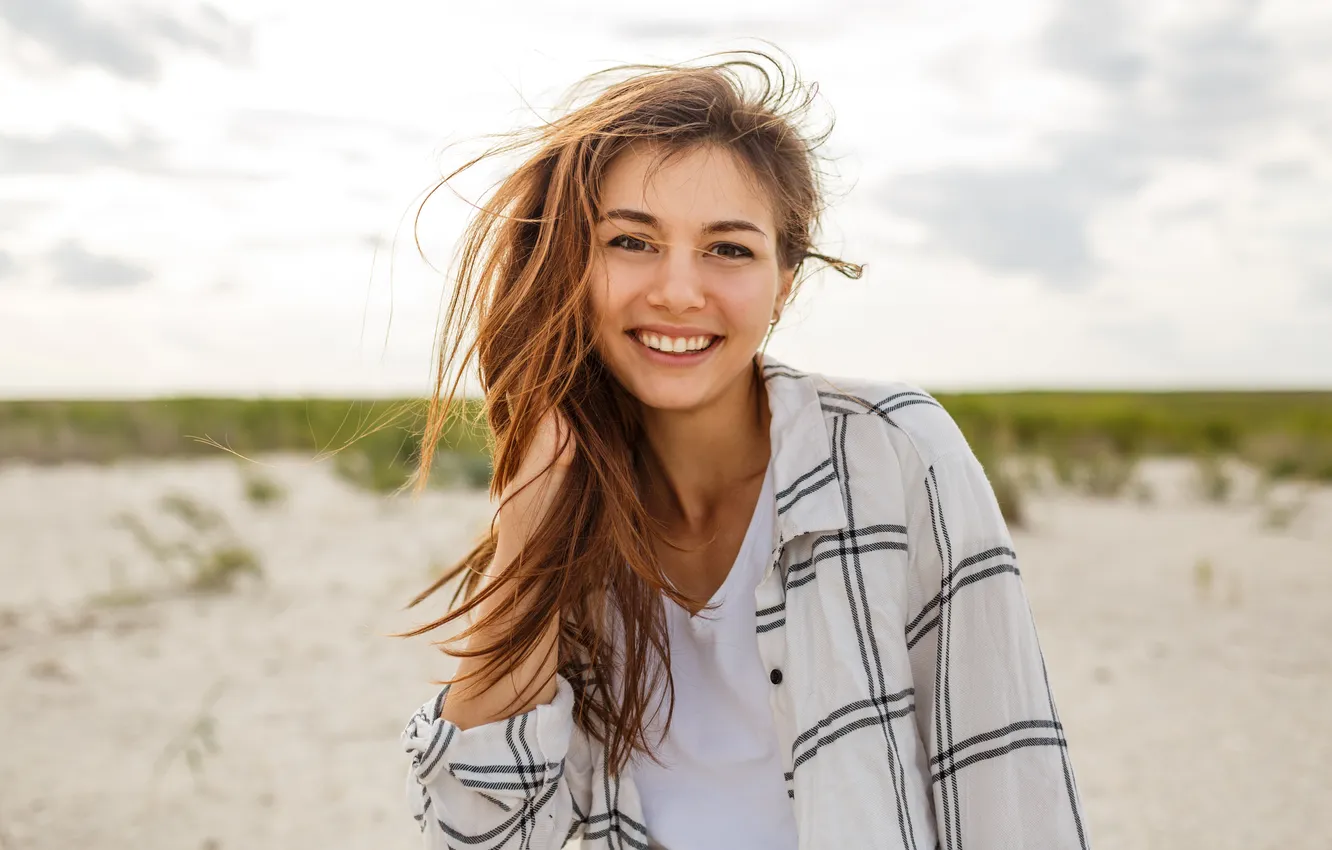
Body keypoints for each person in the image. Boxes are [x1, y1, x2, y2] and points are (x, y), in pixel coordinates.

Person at [398, 50, 1091, 850]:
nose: (679, 290)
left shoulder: (893, 451)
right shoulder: (565, 502)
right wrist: (529, 530)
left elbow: (1006, 782)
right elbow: (483, 837)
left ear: (784, 281)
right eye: (630, 241)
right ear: (572, 266)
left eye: (729, 249)